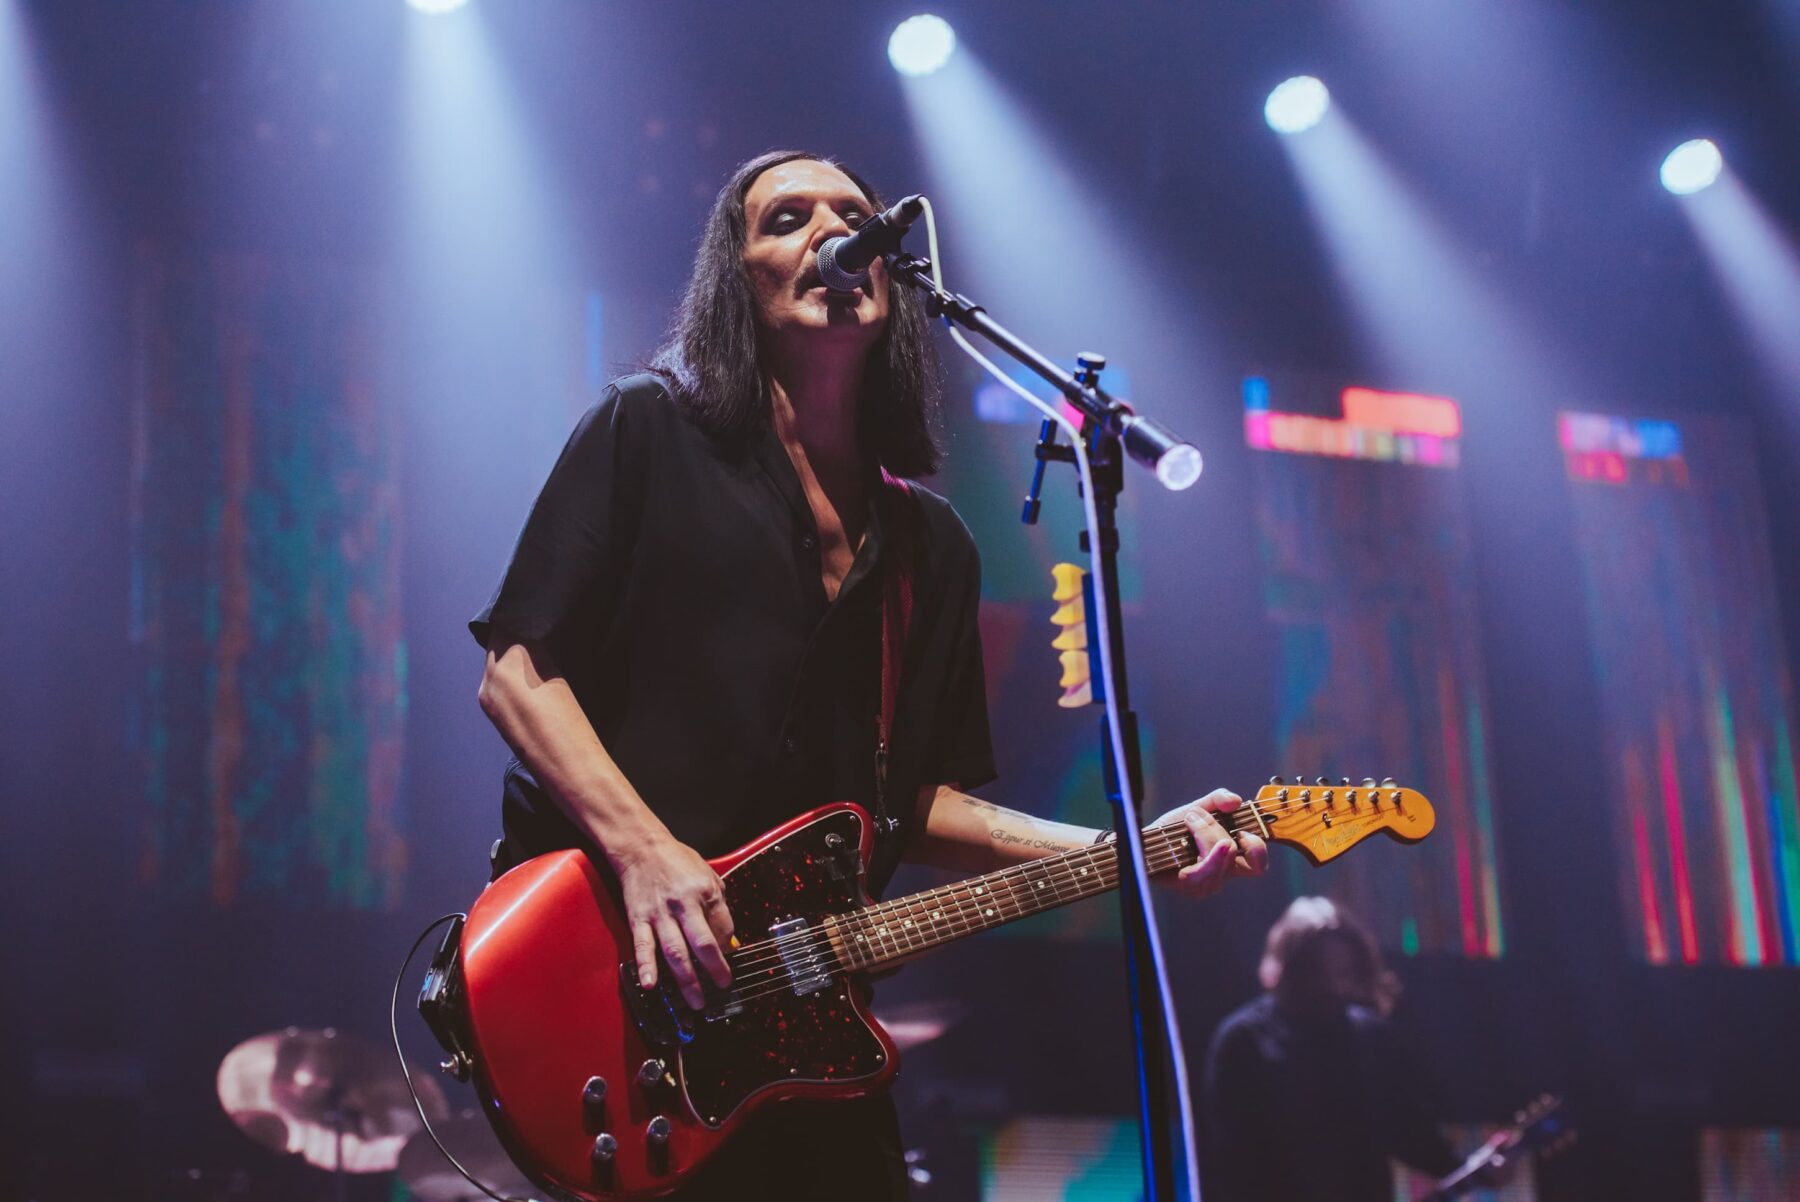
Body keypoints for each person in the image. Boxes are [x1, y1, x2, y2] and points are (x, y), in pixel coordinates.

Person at [471, 149, 1268, 1200]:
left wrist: (1132, 849)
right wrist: (647, 848)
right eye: (787, 218)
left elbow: (918, 803)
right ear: (737, 273)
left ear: (895, 280)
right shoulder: (646, 430)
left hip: (800, 1027)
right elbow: (519, 668)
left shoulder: (929, 546)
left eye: (853, 217)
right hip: (625, 985)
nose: (832, 235)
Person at [1203, 896, 1463, 1202]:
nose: (1332, 986)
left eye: (1343, 972)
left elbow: (1410, 1132)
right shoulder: (1243, 1041)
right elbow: (1232, 1163)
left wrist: (1469, 1167)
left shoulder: (1372, 1038)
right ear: (1289, 969)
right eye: (1318, 972)